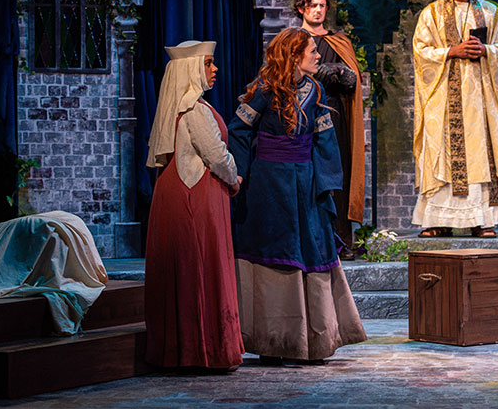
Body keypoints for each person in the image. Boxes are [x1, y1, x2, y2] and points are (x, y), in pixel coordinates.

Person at [228, 27, 367, 364]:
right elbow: (239, 130)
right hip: (269, 185)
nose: (318, 56)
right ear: (294, 55)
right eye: (311, 51)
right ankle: (274, 341)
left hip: (305, 182)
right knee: (272, 253)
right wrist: (241, 174)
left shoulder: (314, 89)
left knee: (312, 250)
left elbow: (325, 140)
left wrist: (326, 184)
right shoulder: (265, 89)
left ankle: (313, 340)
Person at [143, 40, 243, 372]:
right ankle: (203, 350)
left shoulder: (175, 109)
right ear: (190, 70)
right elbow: (216, 156)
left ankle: (179, 350)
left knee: (183, 271)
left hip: (174, 191)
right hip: (195, 196)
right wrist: (234, 178)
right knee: (198, 267)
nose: (215, 69)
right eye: (208, 64)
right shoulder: (194, 110)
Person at [411, 0, 498, 238]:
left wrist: (487, 51)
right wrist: (450, 51)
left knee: (481, 152)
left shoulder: (490, 12)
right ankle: (437, 219)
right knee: (441, 154)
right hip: (444, 98)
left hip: (480, 98)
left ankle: (482, 219)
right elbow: (421, 52)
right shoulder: (431, 14)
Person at [294, 0, 365, 260]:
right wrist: (327, 73)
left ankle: (342, 241)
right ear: (302, 9)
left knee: (339, 175)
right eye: (312, 5)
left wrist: (341, 74)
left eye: (322, 5)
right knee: (309, 177)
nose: (318, 10)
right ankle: (311, 242)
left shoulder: (339, 41)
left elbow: (351, 80)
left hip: (336, 117)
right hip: (303, 116)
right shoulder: (294, 39)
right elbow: (291, 73)